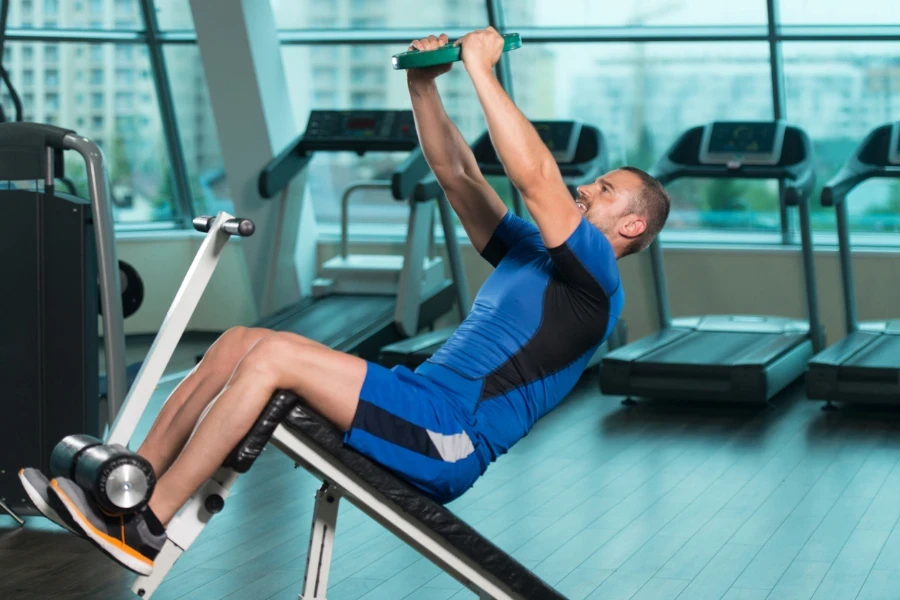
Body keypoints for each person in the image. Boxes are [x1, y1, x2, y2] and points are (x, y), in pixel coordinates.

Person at [25, 27, 670, 576]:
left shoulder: (595, 281)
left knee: (273, 355)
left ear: (632, 227)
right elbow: (457, 173)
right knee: (240, 340)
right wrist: (424, 87)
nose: (589, 188)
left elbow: (536, 177)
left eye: (607, 189)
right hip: (417, 399)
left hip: (452, 437)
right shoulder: (530, 250)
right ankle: (127, 491)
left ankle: (152, 525)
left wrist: (479, 67)